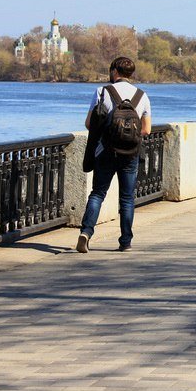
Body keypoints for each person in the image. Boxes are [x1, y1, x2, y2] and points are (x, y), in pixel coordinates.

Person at [77, 57, 152, 253]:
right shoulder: (142, 95)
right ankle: (125, 241)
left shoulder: (102, 92)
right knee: (127, 198)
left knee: (98, 193)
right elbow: (147, 129)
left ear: (115, 72)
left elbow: (89, 124)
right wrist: (128, 136)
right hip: (130, 154)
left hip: (106, 152)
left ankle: (86, 232)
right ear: (131, 74)